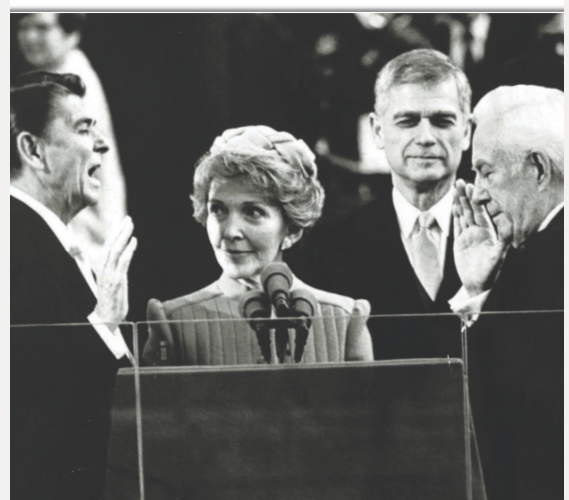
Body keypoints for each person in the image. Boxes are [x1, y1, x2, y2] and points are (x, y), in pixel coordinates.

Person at [290, 49, 472, 360]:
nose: (425, 137)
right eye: (407, 121)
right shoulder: (328, 246)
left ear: (466, 131)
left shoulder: (505, 238)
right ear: (378, 131)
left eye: (442, 121)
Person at [143, 126, 373, 366]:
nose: (230, 232)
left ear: (292, 230)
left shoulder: (344, 319)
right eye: (218, 209)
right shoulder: (173, 321)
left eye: (252, 212)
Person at [10, 71, 137, 500]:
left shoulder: (43, 238)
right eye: (84, 128)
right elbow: (25, 400)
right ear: (33, 149)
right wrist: (104, 322)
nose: (101, 144)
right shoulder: (13, 243)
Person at [450, 85, 563, 500]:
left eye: (486, 171)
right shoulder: (536, 256)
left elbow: (513, 424)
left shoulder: (549, 261)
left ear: (538, 169)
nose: (476, 191)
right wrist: (479, 290)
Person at [14, 13, 127, 276]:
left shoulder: (72, 86)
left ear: (71, 34)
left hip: (86, 218)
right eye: (23, 26)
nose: (30, 37)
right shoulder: (44, 76)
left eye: (42, 27)